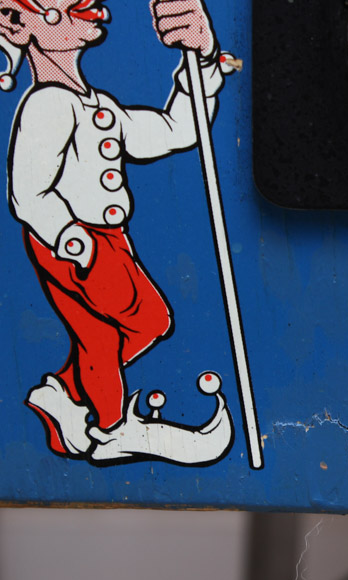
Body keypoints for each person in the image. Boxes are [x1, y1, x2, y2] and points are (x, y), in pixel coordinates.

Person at [0, 0, 233, 465]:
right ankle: (111, 430)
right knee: (109, 335)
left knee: (144, 325)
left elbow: (174, 130)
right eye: (59, 8)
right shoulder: (47, 103)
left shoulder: (97, 105)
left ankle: (65, 394)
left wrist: (202, 59)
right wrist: (76, 244)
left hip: (107, 239)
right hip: (72, 241)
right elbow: (28, 192)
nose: (83, 9)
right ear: (26, 25)